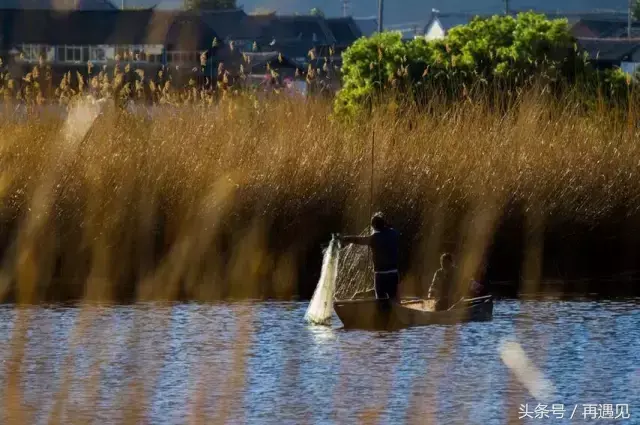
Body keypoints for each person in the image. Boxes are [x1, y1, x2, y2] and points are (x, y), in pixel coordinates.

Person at [337, 212, 400, 301]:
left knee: (381, 301)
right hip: (393, 274)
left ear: (374, 226)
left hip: (380, 276)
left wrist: (344, 238)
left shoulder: (374, 238)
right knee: (395, 300)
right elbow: (391, 230)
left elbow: (357, 239)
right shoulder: (394, 234)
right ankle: (398, 311)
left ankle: (383, 312)